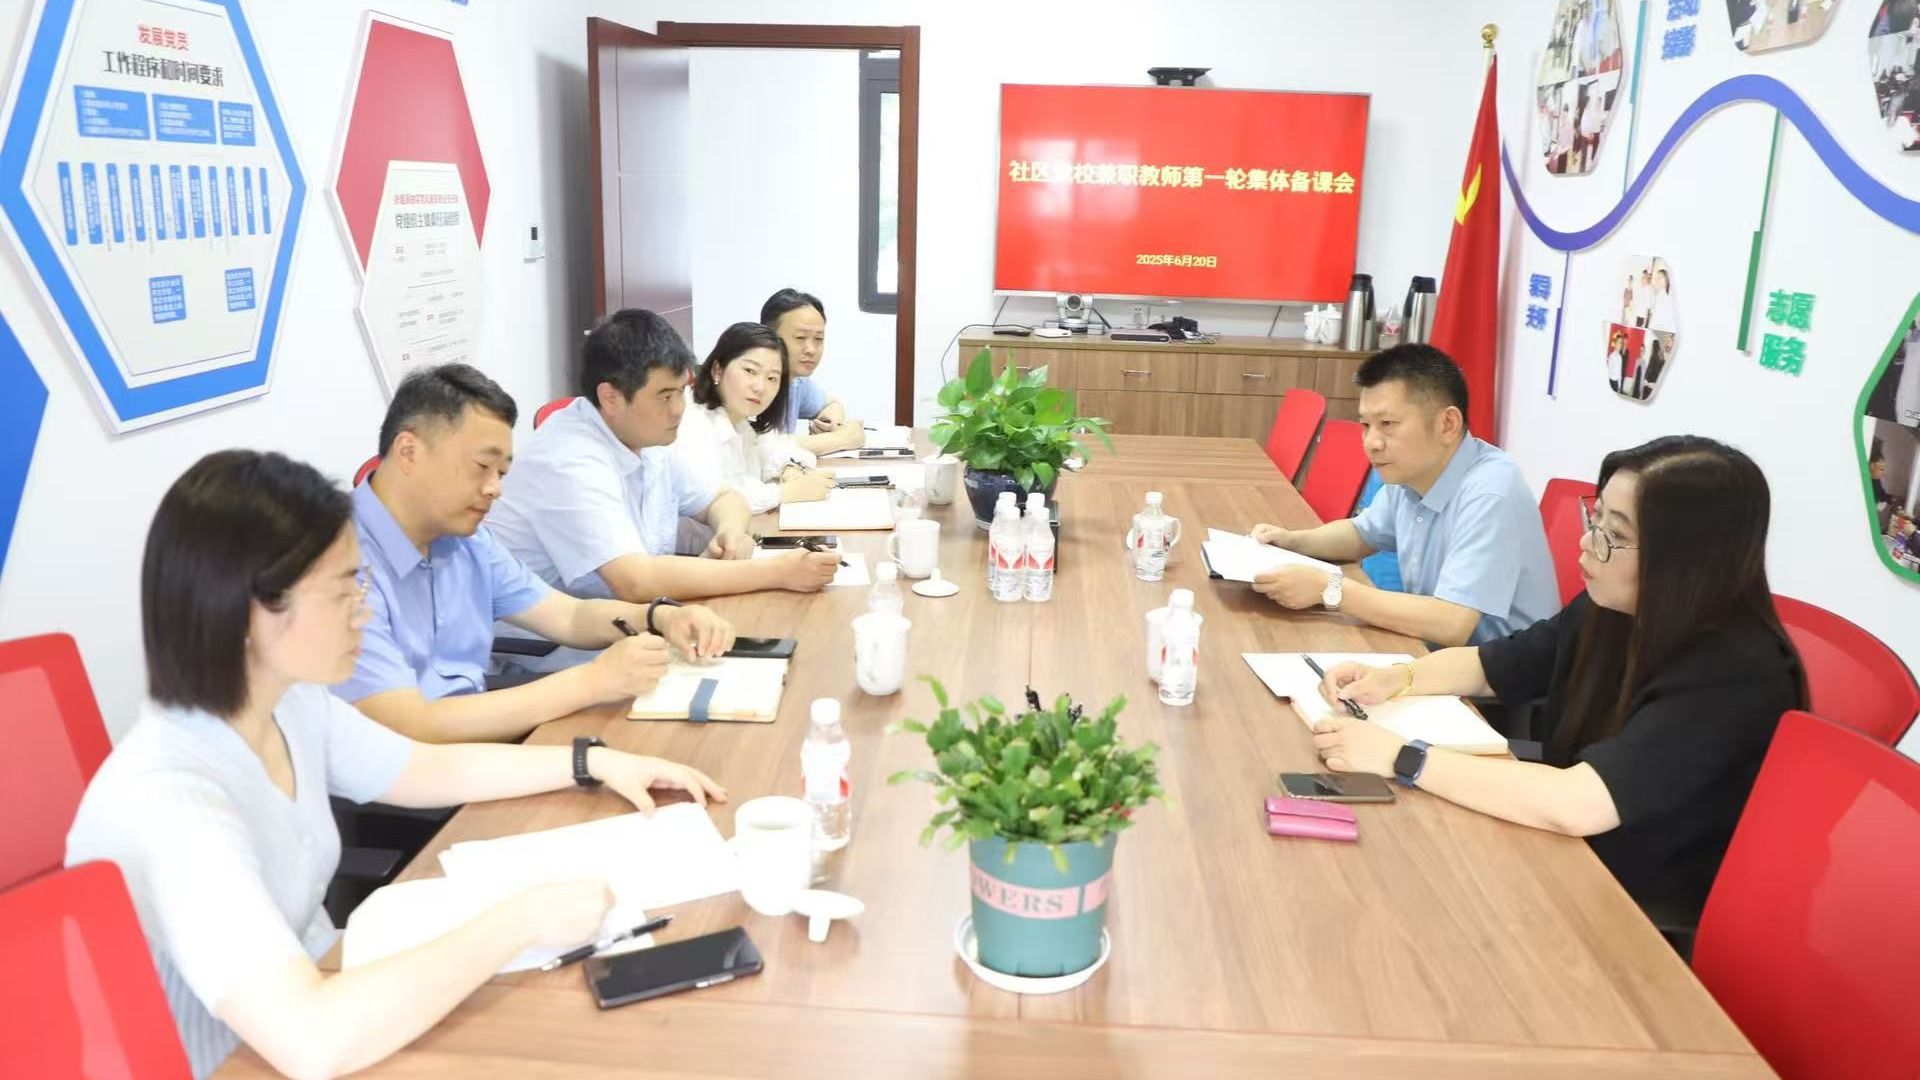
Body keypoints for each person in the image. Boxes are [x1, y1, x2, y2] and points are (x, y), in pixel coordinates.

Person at [65, 450, 727, 1079]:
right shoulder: (171, 804)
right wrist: (522, 921)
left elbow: (427, 771)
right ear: (252, 613)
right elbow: (311, 1039)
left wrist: (591, 761)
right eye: (343, 590)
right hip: (243, 1059)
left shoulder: (289, 702)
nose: (365, 610)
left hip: (335, 990)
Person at [1307, 436, 1806, 932]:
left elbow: (1578, 804)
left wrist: (1402, 757)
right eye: (1597, 518)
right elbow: (1496, 664)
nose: (1587, 543)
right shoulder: (1616, 606)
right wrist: (1398, 678)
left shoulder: (1733, 675)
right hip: (1555, 845)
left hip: (1621, 899)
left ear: (1686, 559)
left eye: (1615, 534)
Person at [343, 363, 736, 743]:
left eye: (501, 473)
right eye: (482, 466)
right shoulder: (336, 563)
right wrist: (590, 682)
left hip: (473, 734)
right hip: (410, 771)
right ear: (409, 452)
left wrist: (660, 616)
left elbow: (569, 616)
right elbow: (410, 725)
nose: (494, 488)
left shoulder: (466, 540)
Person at [486, 308, 840, 602]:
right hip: (563, 647)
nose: (679, 409)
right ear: (610, 397)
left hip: (640, 619)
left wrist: (729, 532)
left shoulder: (646, 438)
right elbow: (634, 581)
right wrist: (775, 572)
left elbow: (723, 498)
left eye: (681, 392)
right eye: (665, 396)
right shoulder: (569, 460)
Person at [1250, 344, 1558, 647]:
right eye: (1365, 425)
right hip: (1435, 653)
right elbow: (1362, 534)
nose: (1371, 443)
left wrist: (1329, 589)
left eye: (1387, 424)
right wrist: (1292, 541)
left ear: (1448, 424)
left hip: (1500, 675)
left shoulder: (1491, 491)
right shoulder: (1413, 470)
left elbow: (1451, 623)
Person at [673, 321, 837, 513]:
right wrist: (785, 493)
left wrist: (790, 468)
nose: (760, 387)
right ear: (717, 369)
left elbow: (779, 449)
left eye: (772, 378)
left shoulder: (742, 421)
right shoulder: (694, 423)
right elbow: (713, 498)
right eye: (750, 371)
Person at [760, 288, 866, 455]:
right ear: (768, 338)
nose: (811, 349)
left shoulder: (796, 382)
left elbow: (832, 404)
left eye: (818, 339)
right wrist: (845, 438)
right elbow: (761, 450)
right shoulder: (754, 383)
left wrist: (828, 423)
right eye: (800, 337)